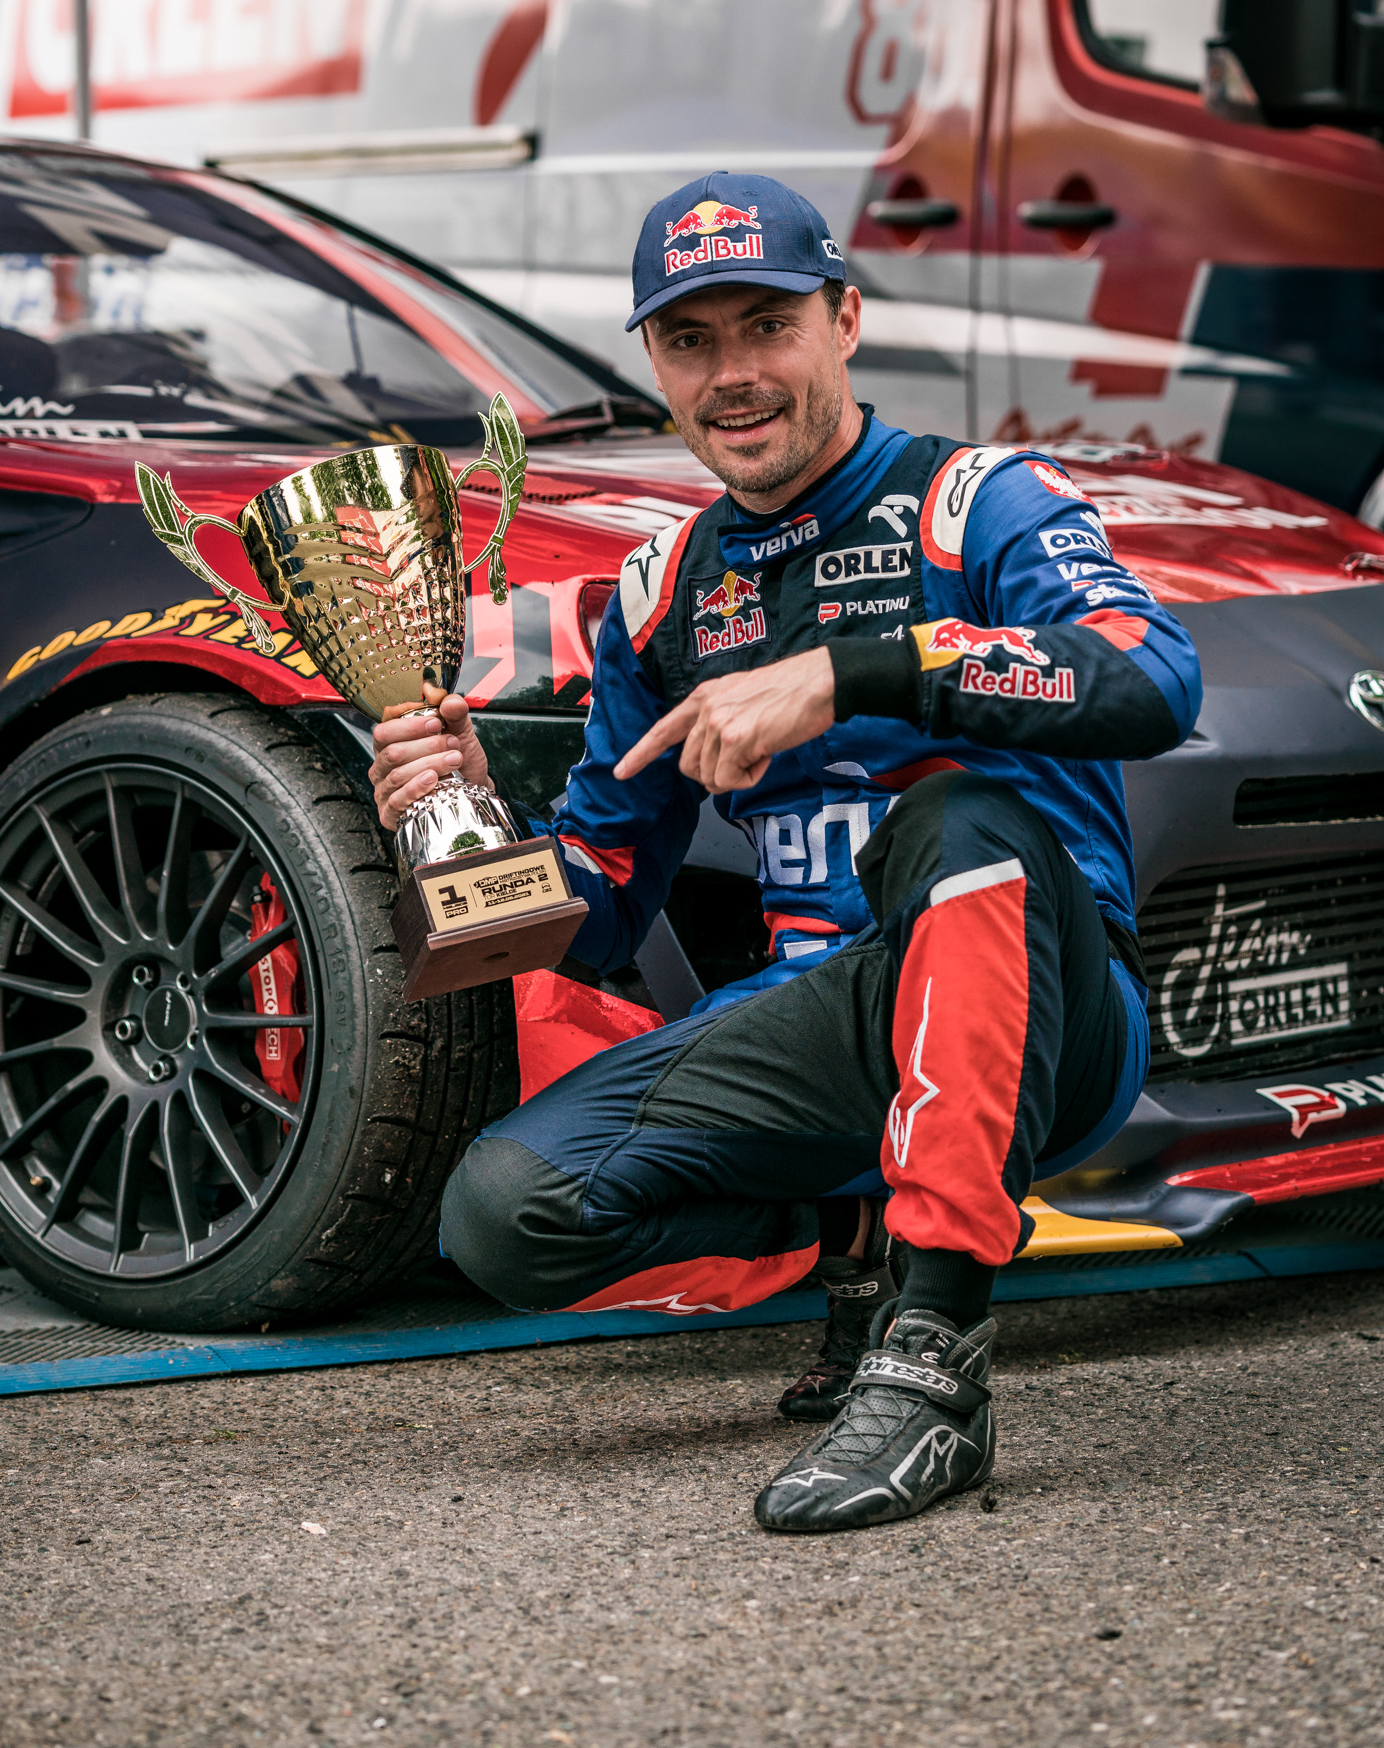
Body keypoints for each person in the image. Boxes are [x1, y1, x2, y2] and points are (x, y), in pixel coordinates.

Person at [368, 174, 1201, 1531]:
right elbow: (595, 903)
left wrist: (852, 673)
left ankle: (932, 1366)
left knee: (959, 818)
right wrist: (461, 825)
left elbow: (1153, 681)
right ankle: (851, 1235)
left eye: (768, 326)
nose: (733, 375)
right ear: (654, 363)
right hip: (824, 1022)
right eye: (690, 341)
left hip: (1053, 1014)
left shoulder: (976, 500)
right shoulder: (663, 591)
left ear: (844, 321)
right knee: (503, 1212)